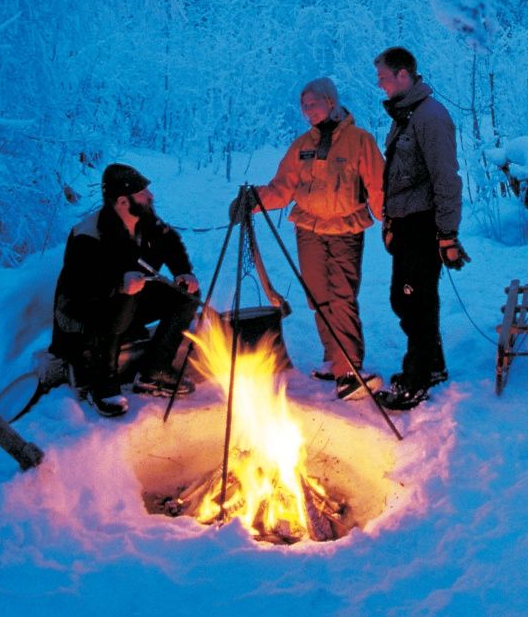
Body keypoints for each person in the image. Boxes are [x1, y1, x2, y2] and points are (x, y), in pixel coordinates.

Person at [232, 77, 386, 399]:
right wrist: (254, 200)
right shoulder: (302, 146)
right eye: (303, 106)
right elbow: (282, 188)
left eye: (311, 104)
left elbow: (378, 188)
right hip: (309, 231)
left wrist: (395, 222)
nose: (306, 111)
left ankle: (350, 369)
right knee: (318, 298)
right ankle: (334, 360)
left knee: (342, 297)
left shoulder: (360, 141)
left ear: (330, 101)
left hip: (345, 230)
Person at [49, 161, 200, 418]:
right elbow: (78, 290)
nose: (150, 196)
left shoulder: (145, 220)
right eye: (142, 192)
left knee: (186, 296)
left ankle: (155, 371)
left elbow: (171, 243)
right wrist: (118, 284)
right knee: (124, 297)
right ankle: (102, 384)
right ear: (122, 201)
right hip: (82, 316)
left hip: (125, 306)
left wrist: (182, 272)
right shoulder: (87, 236)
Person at [371, 46, 466, 410]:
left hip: (425, 226)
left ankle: (417, 379)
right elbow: (399, 175)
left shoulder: (431, 117)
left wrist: (447, 234)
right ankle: (432, 366)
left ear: (403, 76)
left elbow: (447, 179)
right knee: (408, 299)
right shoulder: (406, 115)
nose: (379, 85)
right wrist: (391, 219)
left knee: (415, 301)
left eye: (383, 77)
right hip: (407, 225)